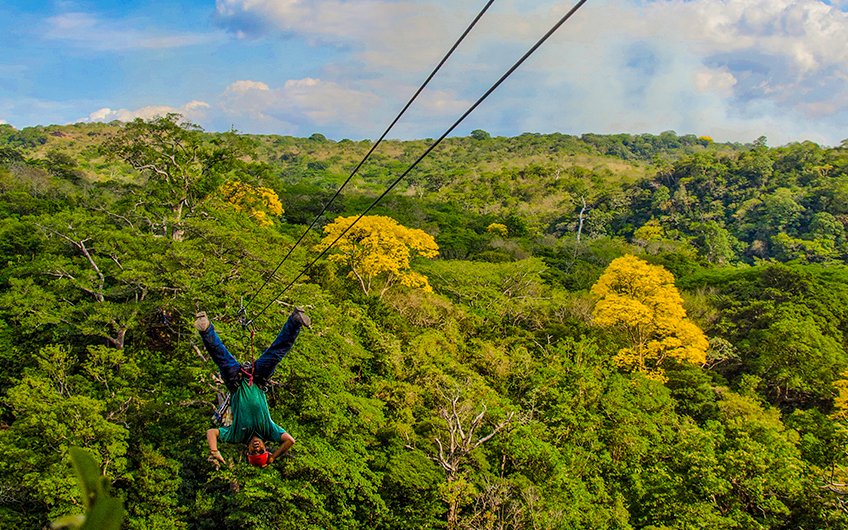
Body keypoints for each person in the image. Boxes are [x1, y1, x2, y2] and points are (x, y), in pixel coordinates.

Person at [195, 307, 310, 468]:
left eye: (254, 452)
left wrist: (214, 451)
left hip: (235, 382)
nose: (257, 449)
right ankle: (295, 320)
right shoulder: (270, 431)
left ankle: (205, 328)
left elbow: (211, 432)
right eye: (261, 451)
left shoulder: (236, 436)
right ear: (266, 448)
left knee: (221, 357)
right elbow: (290, 441)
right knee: (276, 354)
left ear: (247, 451)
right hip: (258, 379)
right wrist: (273, 457)